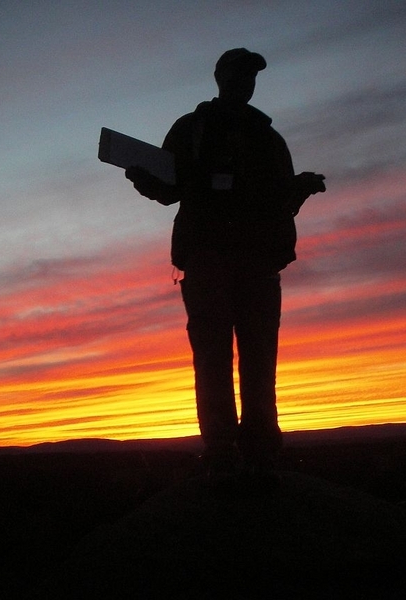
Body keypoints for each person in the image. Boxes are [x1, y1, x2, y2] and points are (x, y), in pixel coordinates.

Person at [126, 48, 325, 486]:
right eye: (238, 74)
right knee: (213, 357)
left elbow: (280, 201)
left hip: (257, 262)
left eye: (251, 76)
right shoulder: (192, 128)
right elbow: (169, 189)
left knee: (259, 358)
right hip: (208, 260)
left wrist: (302, 189)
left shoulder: (267, 136)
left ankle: (261, 449)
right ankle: (221, 451)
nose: (245, 83)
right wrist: (143, 175)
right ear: (220, 78)